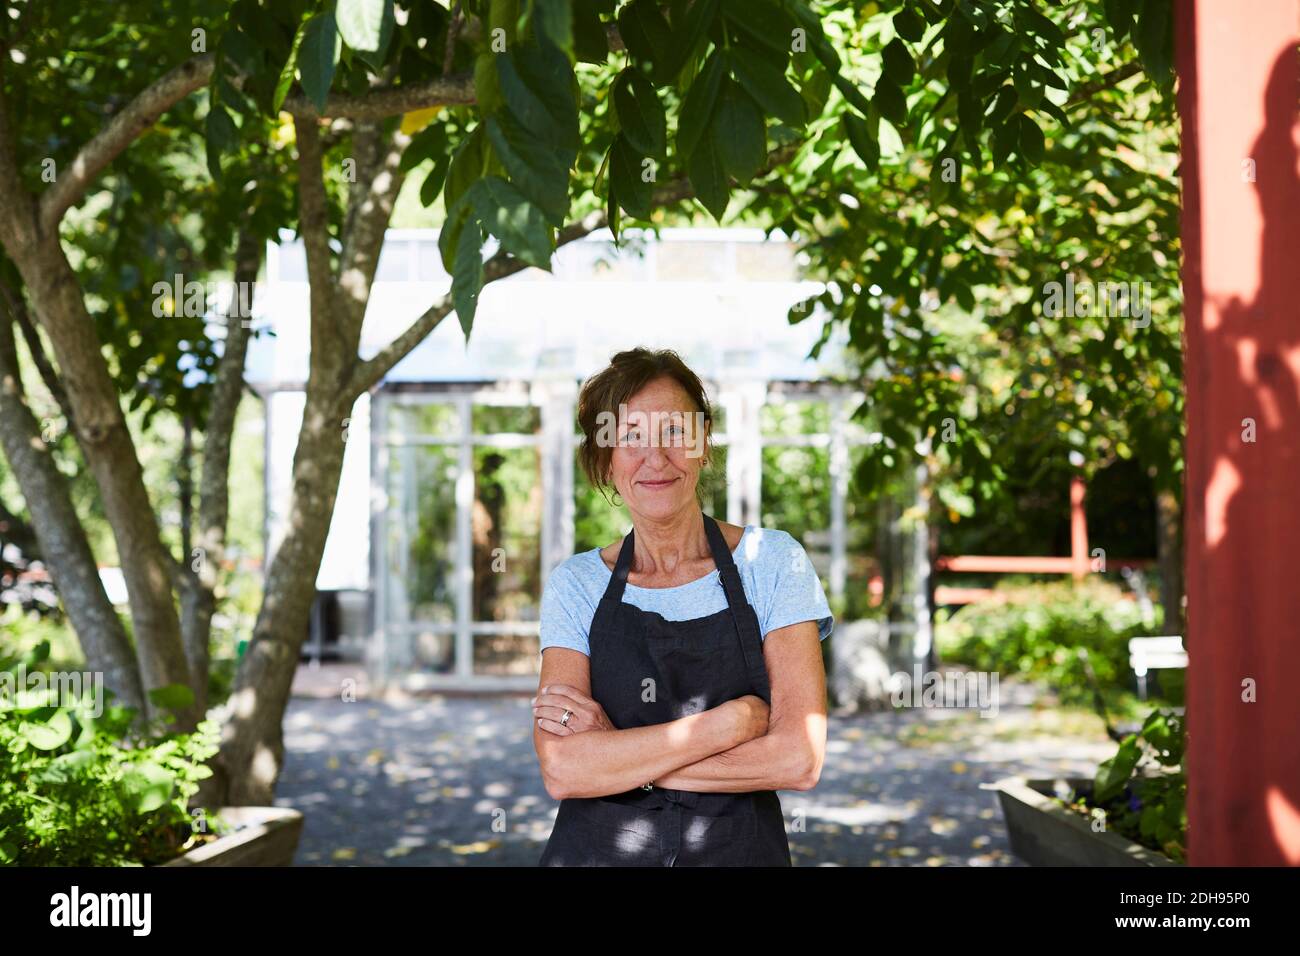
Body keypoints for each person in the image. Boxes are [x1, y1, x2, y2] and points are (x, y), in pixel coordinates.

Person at [533, 347, 833, 866]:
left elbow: (798, 757)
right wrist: (729, 724)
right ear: (605, 459)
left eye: (675, 431)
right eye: (629, 437)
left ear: (703, 444)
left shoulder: (774, 562)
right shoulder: (575, 585)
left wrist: (618, 755)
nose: (656, 457)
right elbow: (564, 769)